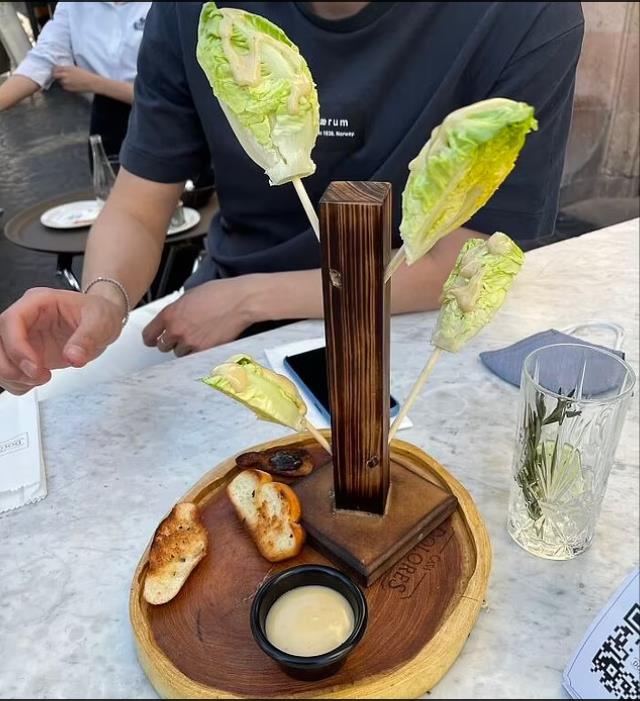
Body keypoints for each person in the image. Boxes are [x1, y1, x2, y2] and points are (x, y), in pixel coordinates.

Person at [0, 1, 584, 396]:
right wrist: (104, 299)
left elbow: (467, 264)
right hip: (224, 324)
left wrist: (249, 298)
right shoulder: (193, 14)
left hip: (412, 322)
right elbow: (138, 203)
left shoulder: (525, 16)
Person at [0, 1, 151, 157]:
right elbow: (44, 58)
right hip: (108, 120)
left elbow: (165, 97)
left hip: (159, 123)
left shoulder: (161, 8)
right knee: (107, 170)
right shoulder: (73, 5)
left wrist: (97, 84)